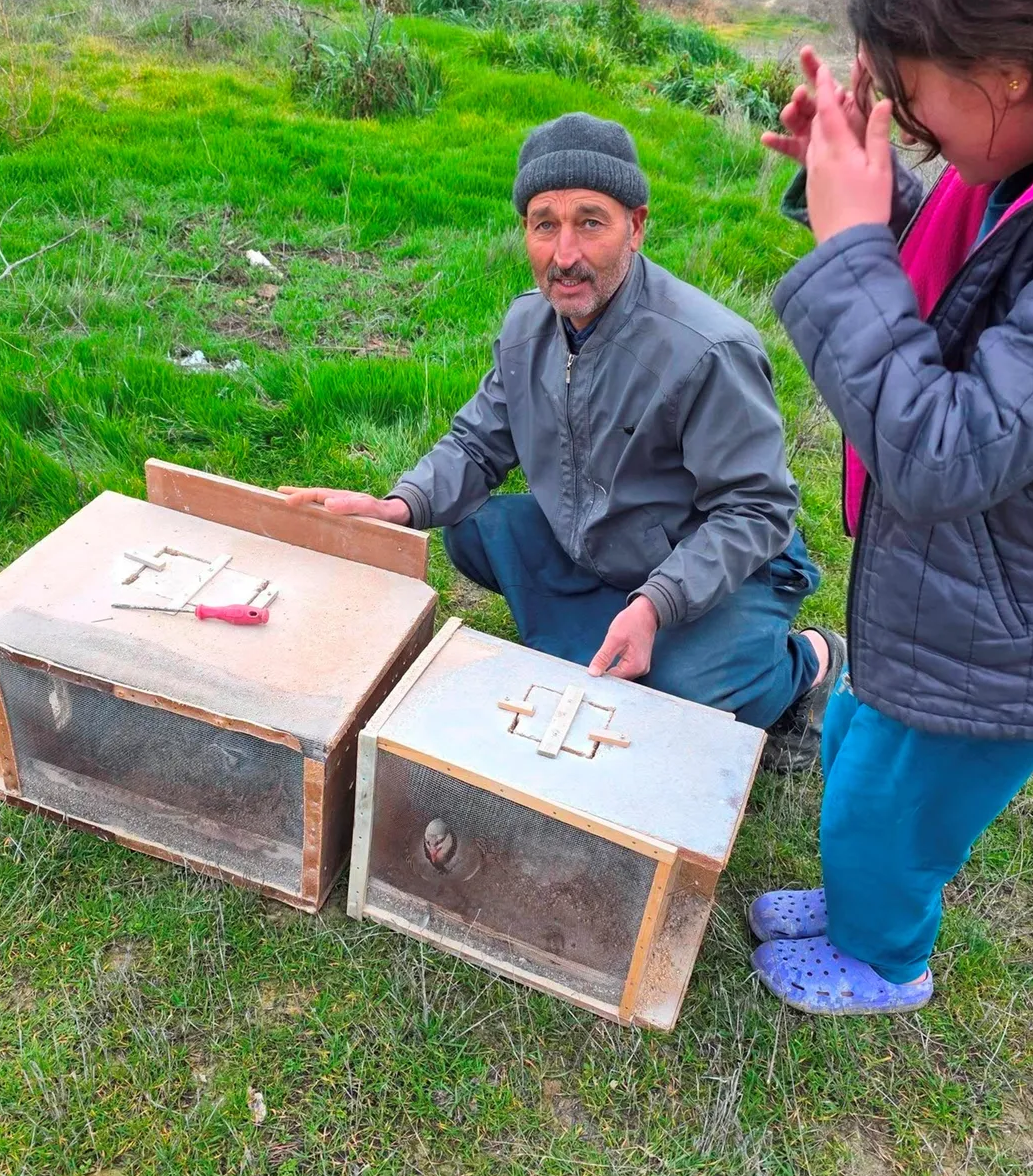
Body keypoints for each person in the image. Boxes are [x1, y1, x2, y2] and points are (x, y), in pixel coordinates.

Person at [749, 0, 1033, 1014]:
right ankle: (861, 905)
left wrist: (850, 245)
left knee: (889, 815)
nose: (905, 114)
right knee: (861, 750)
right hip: (954, 597)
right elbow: (976, 280)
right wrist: (866, 185)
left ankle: (882, 958)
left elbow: (945, 447)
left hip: (1010, 634)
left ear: (1006, 72)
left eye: (912, 94)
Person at [281, 111, 844, 772]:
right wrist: (397, 506)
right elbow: (477, 443)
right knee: (469, 528)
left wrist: (657, 603)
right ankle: (623, 621)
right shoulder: (529, 324)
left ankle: (807, 662)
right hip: (605, 540)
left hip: (723, 563)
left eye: (590, 222)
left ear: (636, 225)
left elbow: (757, 510)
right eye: (545, 223)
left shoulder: (708, 349)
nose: (565, 254)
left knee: (685, 695)